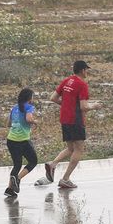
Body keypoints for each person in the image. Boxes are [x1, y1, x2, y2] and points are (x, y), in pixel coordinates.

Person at [41, 61, 95, 191]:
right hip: (75, 120)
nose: (87, 72)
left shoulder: (66, 81)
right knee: (79, 149)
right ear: (82, 70)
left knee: (70, 148)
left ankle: (52, 164)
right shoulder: (82, 84)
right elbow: (84, 107)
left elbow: (53, 98)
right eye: (86, 70)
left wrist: (66, 105)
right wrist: (95, 106)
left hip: (64, 119)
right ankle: (65, 179)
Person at [4, 88, 39, 198]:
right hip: (22, 140)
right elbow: (28, 119)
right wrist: (35, 122)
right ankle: (18, 179)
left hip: (11, 140)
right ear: (29, 98)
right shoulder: (29, 107)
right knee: (33, 161)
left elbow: (8, 124)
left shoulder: (14, 107)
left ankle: (9, 190)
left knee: (17, 164)